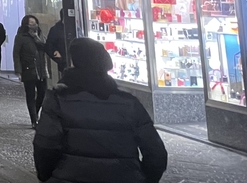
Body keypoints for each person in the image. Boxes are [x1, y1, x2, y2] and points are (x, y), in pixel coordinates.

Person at [34, 38, 168, 183]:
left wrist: (48, 176)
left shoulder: (58, 100)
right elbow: (156, 152)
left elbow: (45, 147)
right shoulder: (128, 102)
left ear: (74, 63)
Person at [14, 14, 49, 128]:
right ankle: (34, 119)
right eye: (31, 23)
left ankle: (36, 112)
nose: (34, 25)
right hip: (28, 69)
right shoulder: (21, 36)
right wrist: (18, 70)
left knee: (42, 94)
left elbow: (45, 47)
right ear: (26, 25)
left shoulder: (40, 35)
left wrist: (37, 38)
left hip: (41, 69)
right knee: (30, 95)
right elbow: (16, 54)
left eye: (35, 23)